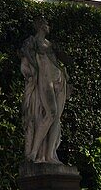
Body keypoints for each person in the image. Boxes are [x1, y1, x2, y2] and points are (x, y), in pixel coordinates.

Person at [20, 18, 70, 163]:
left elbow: (56, 62)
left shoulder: (49, 45)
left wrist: (64, 73)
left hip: (59, 80)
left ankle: (49, 155)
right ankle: (34, 152)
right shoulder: (32, 42)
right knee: (51, 113)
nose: (48, 26)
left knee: (56, 118)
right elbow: (26, 61)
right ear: (40, 26)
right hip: (44, 79)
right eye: (46, 24)